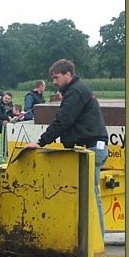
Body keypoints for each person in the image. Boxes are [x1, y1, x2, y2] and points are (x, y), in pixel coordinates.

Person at [25, 59, 109, 236]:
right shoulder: (76, 90)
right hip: (89, 147)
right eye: (52, 78)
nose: (54, 82)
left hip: (92, 148)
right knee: (85, 195)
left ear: (68, 74)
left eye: (56, 77)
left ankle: (96, 239)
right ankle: (86, 238)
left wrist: (40, 142)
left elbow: (63, 120)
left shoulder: (75, 92)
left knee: (90, 196)